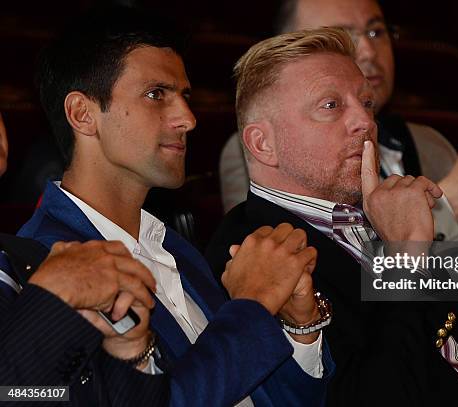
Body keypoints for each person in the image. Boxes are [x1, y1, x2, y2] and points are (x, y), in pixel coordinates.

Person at [205, 28, 458, 406]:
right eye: (331, 106)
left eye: (367, 103)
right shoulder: (253, 253)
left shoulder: (374, 217)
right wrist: (404, 256)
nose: (365, 122)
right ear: (264, 144)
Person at [17, 8, 332, 407]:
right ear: (83, 114)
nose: (188, 118)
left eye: (184, 96)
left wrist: (300, 327)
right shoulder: (44, 266)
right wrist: (252, 304)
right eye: (156, 95)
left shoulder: (176, 249)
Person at [219, 0, 458, 303]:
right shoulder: (254, 150)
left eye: (376, 31)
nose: (366, 49)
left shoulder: (428, 144)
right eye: (340, 34)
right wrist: (449, 201)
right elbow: (288, 280)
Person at [1, 112, 168, 405]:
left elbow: (63, 398)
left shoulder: (26, 256)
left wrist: (131, 354)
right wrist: (51, 300)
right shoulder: (48, 262)